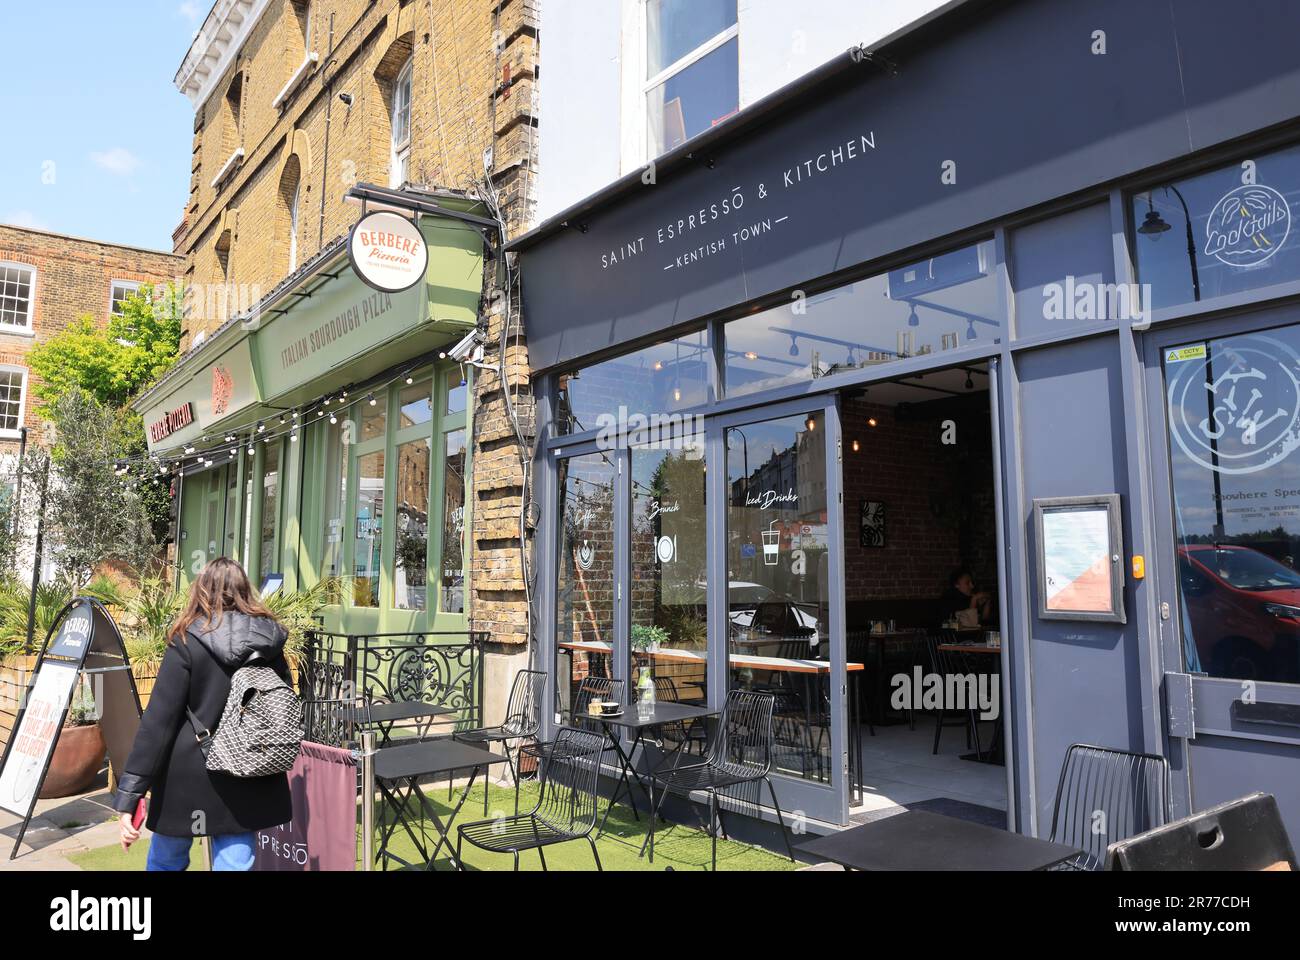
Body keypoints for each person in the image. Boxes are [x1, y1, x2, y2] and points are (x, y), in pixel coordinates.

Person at [113, 557, 293, 871]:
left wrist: (130, 794)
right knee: (235, 864)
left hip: (188, 774)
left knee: (167, 862)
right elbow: (282, 705)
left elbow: (159, 723)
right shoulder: (270, 642)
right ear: (244, 590)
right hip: (246, 770)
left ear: (202, 590)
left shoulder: (186, 639)